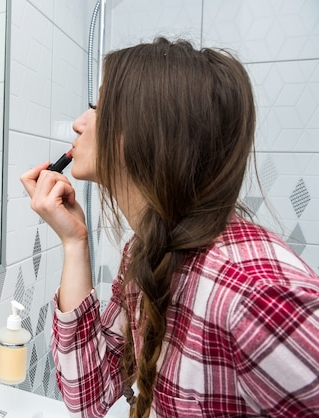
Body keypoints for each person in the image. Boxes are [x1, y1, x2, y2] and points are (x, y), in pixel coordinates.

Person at [21, 38, 319, 417]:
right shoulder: (144, 250)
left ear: (148, 130)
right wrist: (75, 242)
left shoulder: (254, 292)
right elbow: (89, 396)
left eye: (99, 107)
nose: (80, 123)